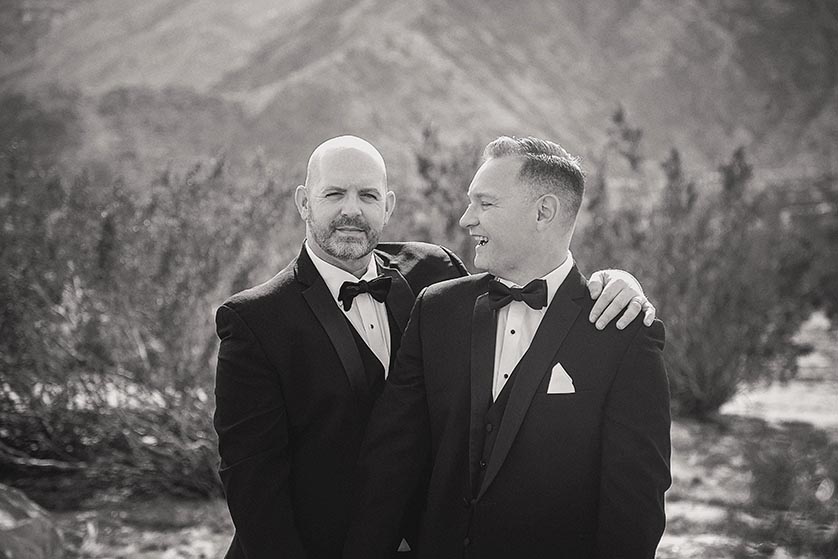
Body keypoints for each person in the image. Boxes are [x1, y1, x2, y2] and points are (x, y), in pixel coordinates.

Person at [213, 135, 655, 559]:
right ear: (304, 202)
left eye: (367, 195)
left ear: (388, 206)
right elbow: (254, 484)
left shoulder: (434, 275)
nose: (352, 210)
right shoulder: (255, 321)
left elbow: (536, 278)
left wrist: (616, 281)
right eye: (333, 195)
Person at [343, 136, 671, 559]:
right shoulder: (437, 311)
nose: (466, 219)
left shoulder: (621, 330)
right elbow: (391, 460)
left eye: (485, 204)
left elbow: (636, 501)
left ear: (544, 212)